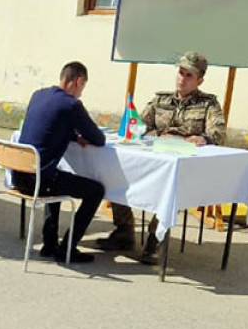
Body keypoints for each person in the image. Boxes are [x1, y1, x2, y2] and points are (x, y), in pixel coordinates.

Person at [95, 51, 226, 263]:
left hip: (182, 166)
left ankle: (155, 240)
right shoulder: (160, 100)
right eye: (180, 73)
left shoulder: (209, 105)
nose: (181, 78)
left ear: (199, 80)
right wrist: (141, 130)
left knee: (167, 187)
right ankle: (124, 231)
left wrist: (203, 138)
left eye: (188, 75)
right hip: (157, 157)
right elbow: (138, 127)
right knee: (117, 170)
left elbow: (218, 134)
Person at [14, 61, 107, 263]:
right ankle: (68, 248)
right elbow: (99, 139)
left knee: (53, 174)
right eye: (82, 88)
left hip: (19, 175)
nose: (81, 93)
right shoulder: (71, 104)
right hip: (39, 180)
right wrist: (81, 135)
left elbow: (50, 126)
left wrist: (73, 136)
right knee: (96, 191)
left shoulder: (38, 95)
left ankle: (50, 244)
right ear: (78, 81)